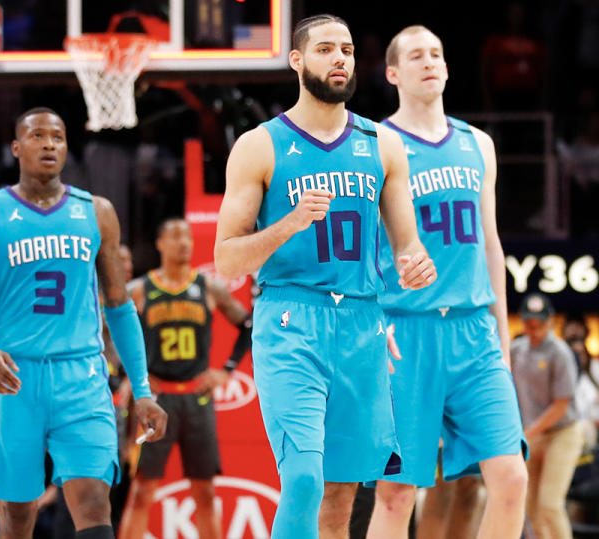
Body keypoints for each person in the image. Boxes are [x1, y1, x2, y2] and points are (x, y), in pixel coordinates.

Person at [213, 15, 436, 539]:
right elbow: (226, 261)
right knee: (305, 478)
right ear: (297, 60)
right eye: (326, 50)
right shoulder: (259, 145)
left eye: (349, 50)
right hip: (291, 319)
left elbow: (407, 244)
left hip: (362, 322)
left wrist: (414, 262)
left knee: (342, 492)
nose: (340, 59)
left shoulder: (382, 144)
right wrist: (289, 223)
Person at [0, 107, 168, 539]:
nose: (48, 144)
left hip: (82, 375)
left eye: (58, 137)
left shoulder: (97, 212)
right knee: (17, 517)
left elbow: (120, 306)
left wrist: (142, 391)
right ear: (16, 147)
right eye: (37, 136)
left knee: (93, 500)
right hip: (13, 377)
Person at [366, 25, 528, 539]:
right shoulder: (372, 144)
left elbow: (492, 246)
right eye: (416, 56)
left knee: (511, 477)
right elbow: (359, 255)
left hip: (474, 332)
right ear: (393, 73)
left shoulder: (478, 143)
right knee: (395, 493)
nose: (429, 61)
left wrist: (502, 339)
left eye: (437, 53)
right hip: (404, 333)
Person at [119, 218, 251, 539]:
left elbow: (248, 325)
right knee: (140, 492)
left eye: (188, 237)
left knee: (204, 493)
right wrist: (132, 376)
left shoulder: (209, 287)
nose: (184, 243)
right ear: (160, 243)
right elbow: (108, 333)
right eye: (176, 236)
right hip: (157, 401)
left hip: (197, 398)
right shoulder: (139, 289)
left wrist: (227, 369)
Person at [512, 293, 584, 539]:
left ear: (550, 321)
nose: (534, 329)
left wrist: (526, 433)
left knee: (550, 505)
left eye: (539, 323)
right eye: (529, 323)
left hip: (561, 433)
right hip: (531, 434)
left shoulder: (560, 353)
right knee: (530, 508)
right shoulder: (516, 350)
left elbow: (561, 406)